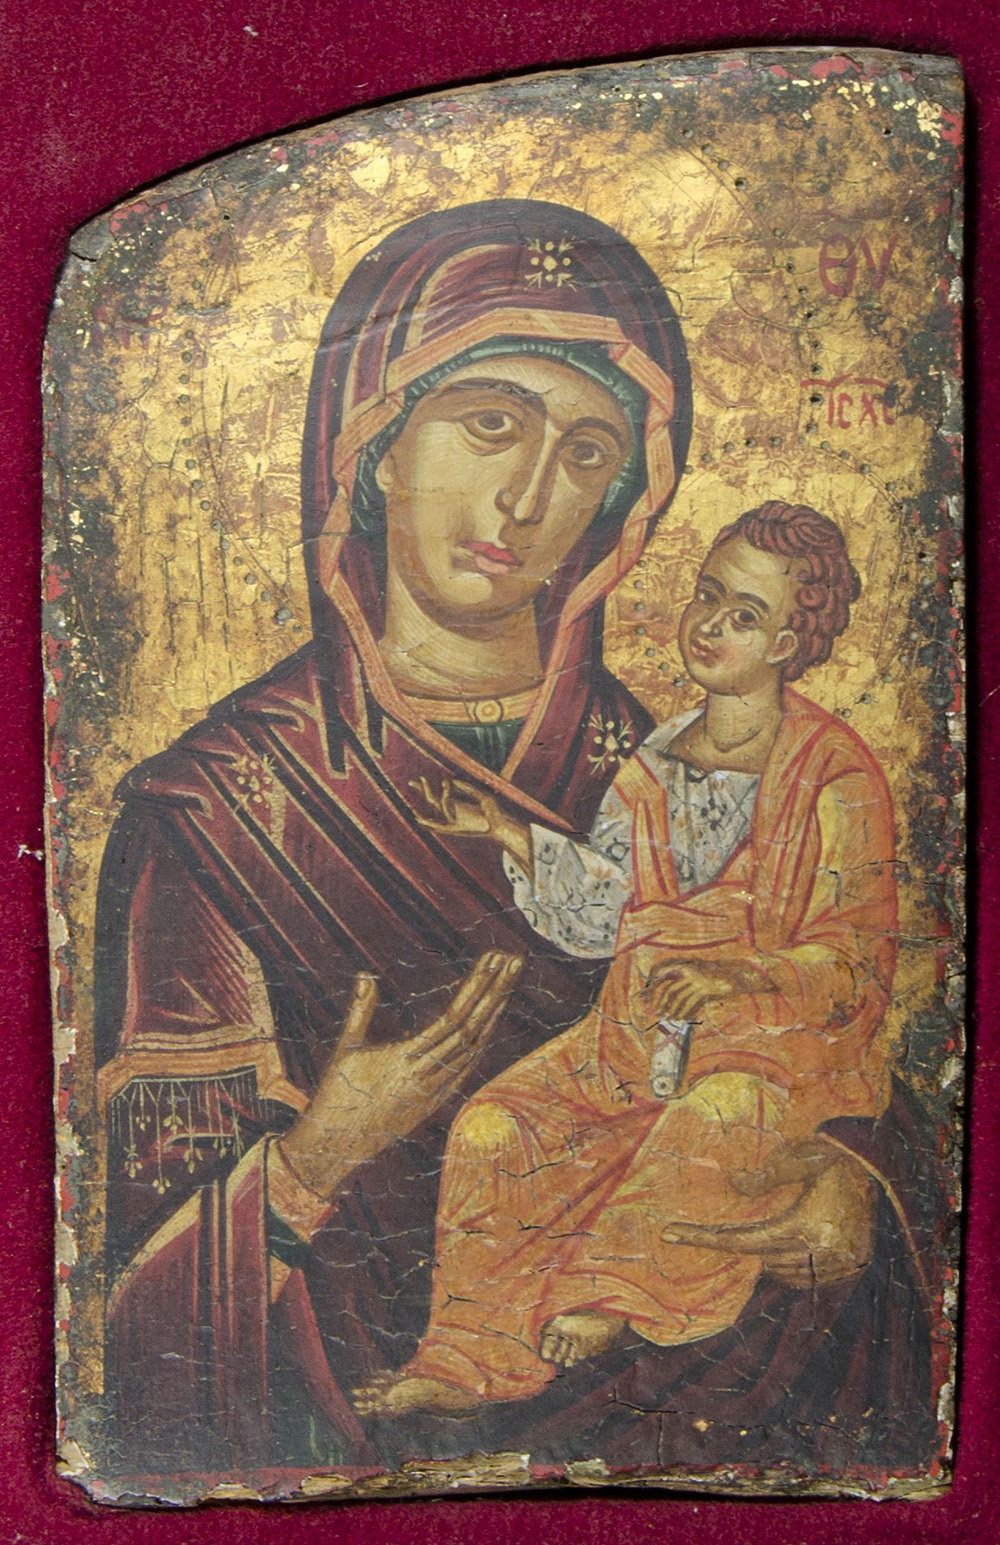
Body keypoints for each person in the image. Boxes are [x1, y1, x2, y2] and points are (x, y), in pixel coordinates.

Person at [94, 201, 934, 1479]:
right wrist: (321, 1152)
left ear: (621, 502)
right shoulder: (219, 815)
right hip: (361, 1444)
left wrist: (847, 1184)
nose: (529, 497)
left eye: (585, 451)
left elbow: (857, 1010)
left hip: (703, 1429)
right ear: (376, 442)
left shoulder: (669, 761)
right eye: (490, 422)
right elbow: (127, 1332)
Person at [358, 501, 902, 1417]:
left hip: (769, 1049)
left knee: (714, 1115)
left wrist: (741, 976)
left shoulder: (834, 773)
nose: (709, 624)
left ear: (785, 644)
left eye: (743, 615)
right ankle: (464, 1360)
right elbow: (605, 909)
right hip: (628, 1038)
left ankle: (613, 1295)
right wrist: (506, 830)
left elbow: (855, 959)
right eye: (707, 596)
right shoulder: (656, 758)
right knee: (496, 1123)